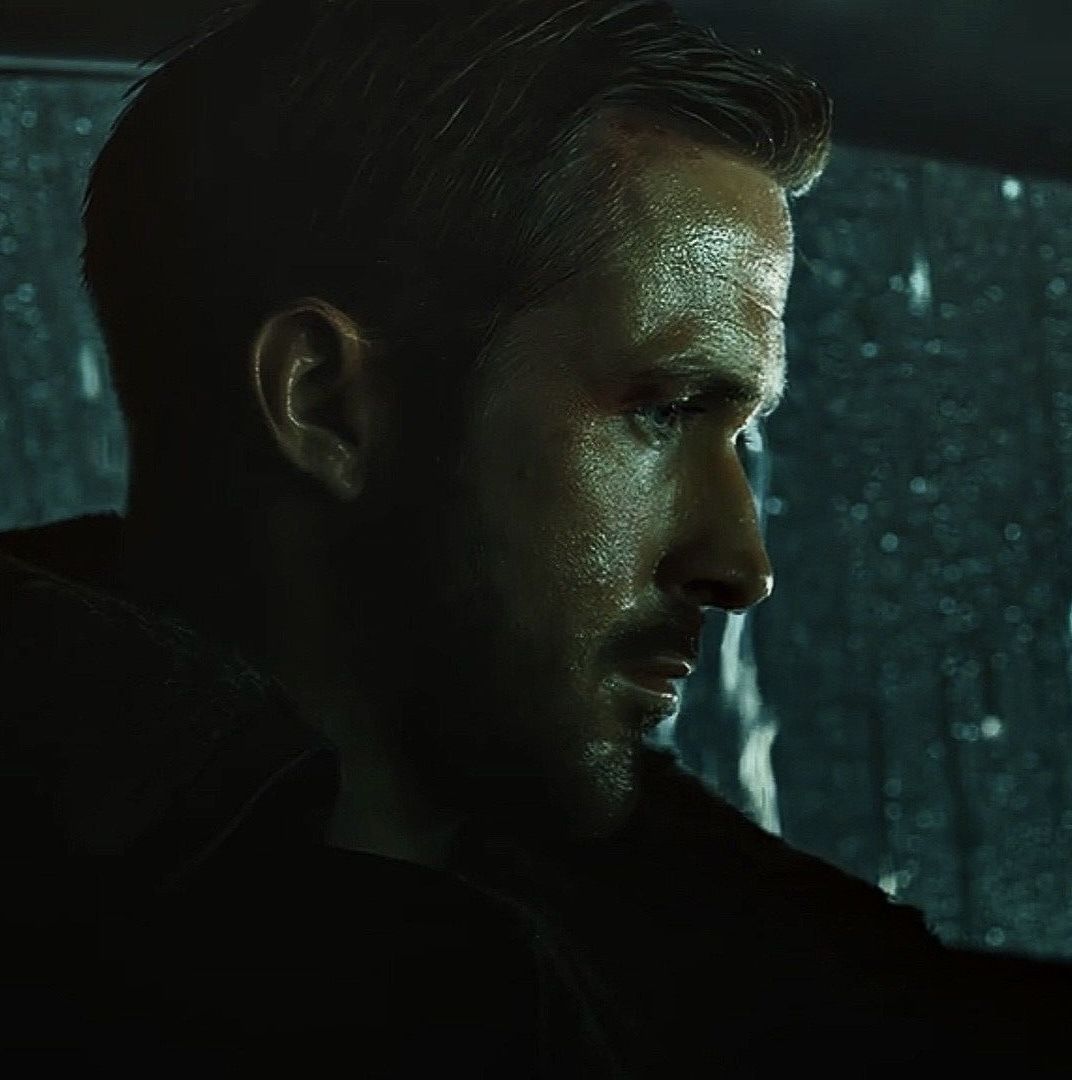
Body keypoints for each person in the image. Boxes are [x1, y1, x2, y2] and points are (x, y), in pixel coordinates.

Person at [2, 0, 1069, 1071]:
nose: (740, 567)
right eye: (666, 412)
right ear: (327, 403)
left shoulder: (717, 943)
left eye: (739, 435)